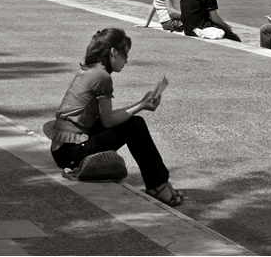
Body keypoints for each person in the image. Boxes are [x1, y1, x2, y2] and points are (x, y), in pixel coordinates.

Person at [46, 27, 183, 206]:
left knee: (134, 123)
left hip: (63, 148)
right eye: (125, 54)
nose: (127, 60)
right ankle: (158, 186)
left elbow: (107, 117)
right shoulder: (102, 77)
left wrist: (140, 103)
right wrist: (141, 106)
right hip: (70, 153)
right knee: (136, 126)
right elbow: (108, 121)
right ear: (113, 52)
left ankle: (160, 183)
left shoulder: (91, 71)